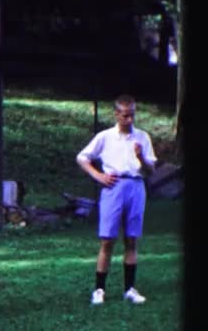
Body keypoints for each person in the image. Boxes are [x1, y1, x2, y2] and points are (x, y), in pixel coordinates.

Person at [76, 94, 157, 305]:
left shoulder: (142, 137)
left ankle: (129, 289)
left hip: (136, 186)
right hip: (113, 186)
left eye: (132, 116)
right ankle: (99, 290)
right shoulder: (105, 137)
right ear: (116, 114)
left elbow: (150, 170)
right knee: (107, 240)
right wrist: (99, 176)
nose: (129, 120)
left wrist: (140, 157)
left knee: (131, 239)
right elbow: (82, 157)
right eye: (125, 116)